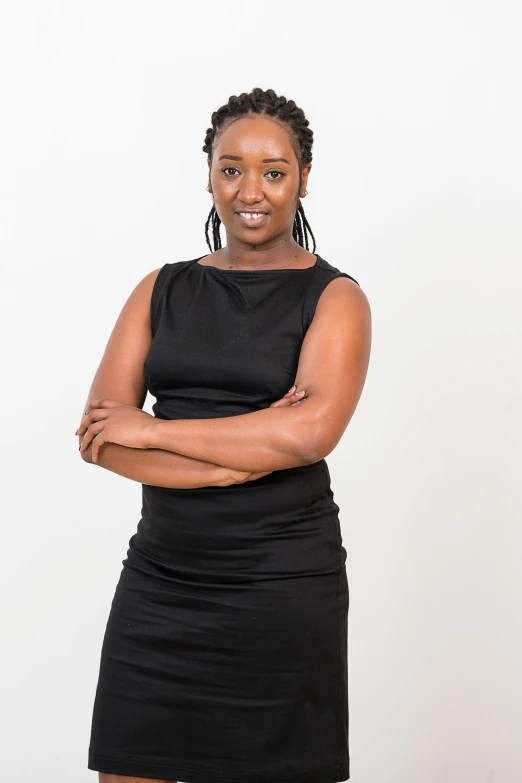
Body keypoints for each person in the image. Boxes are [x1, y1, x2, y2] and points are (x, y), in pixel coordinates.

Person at [77, 87, 372, 783]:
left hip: (280, 589)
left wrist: (152, 429)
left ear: (303, 178)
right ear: (208, 173)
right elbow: (98, 435)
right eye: (231, 167)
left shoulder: (335, 298)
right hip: (160, 582)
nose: (252, 190)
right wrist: (232, 461)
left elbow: (309, 434)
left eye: (274, 171)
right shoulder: (162, 288)